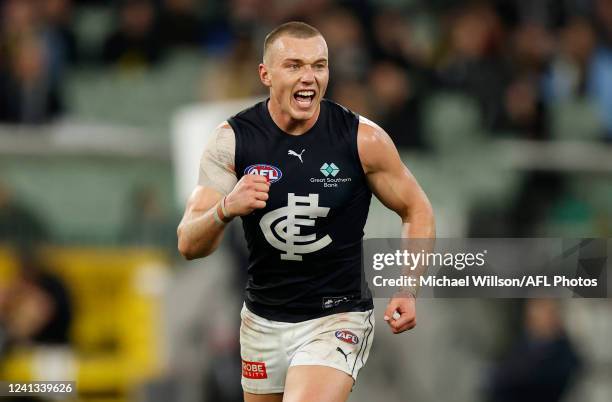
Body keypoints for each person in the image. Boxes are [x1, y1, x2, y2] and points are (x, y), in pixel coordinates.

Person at [177, 22, 435, 402]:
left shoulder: (362, 139)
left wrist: (408, 287)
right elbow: (188, 243)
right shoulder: (232, 140)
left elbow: (417, 209)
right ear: (265, 74)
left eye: (319, 66)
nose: (309, 77)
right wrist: (225, 208)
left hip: (336, 317)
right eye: (295, 65)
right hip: (262, 322)